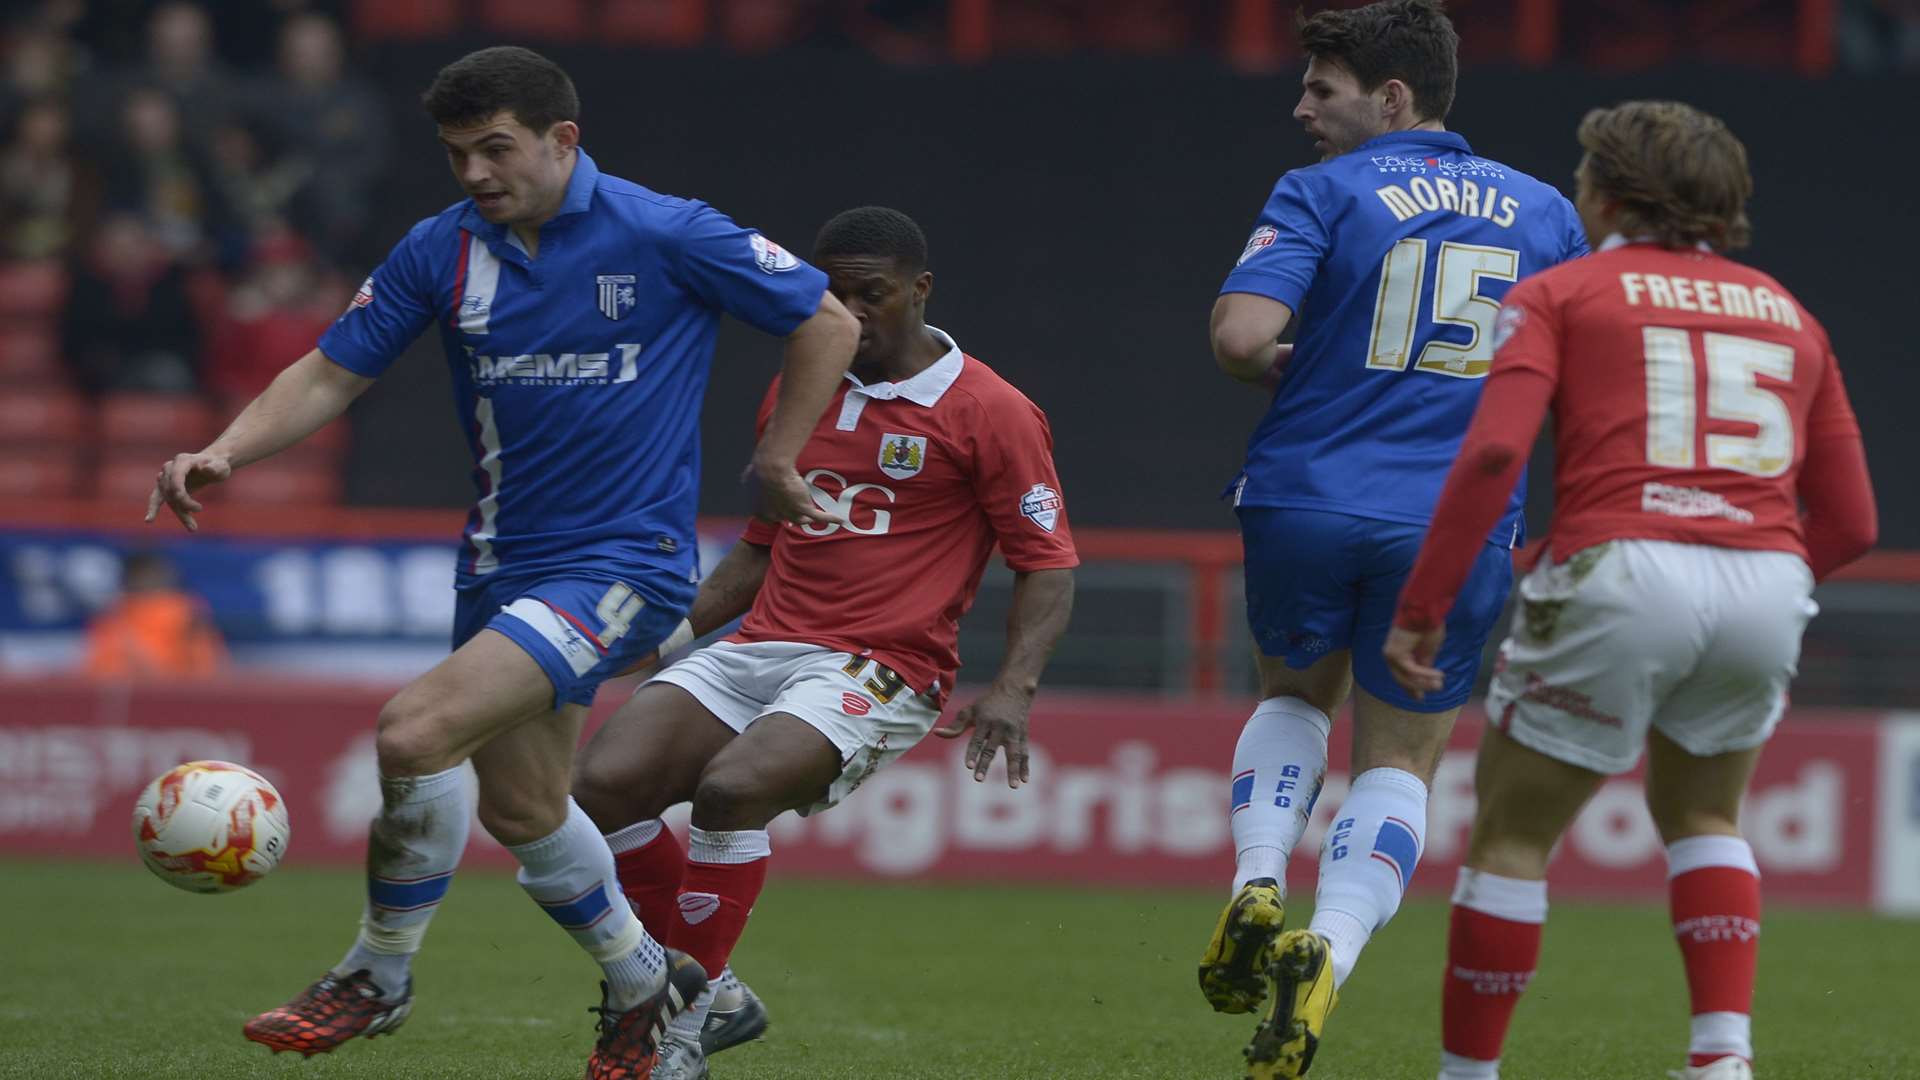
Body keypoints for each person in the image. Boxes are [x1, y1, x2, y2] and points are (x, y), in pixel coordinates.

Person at [143, 46, 859, 1078]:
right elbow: (331, 373)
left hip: (625, 561)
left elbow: (825, 318)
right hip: (500, 565)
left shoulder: (665, 230)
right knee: (524, 808)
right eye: (456, 154)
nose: (476, 173)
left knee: (415, 728)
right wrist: (226, 450)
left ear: (563, 140)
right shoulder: (443, 249)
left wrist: (781, 455)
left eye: (496, 149)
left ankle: (377, 973)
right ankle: (651, 986)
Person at [1384, 101, 1877, 1080]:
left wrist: (1423, 606)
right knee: (1704, 815)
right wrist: (1757, 580)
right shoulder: (1792, 315)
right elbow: (1856, 522)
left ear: (1608, 193)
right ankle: (1722, 1058)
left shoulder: (1564, 293)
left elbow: (1491, 455)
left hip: (1621, 563)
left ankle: (1467, 1077)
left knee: (1515, 833)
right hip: (1768, 578)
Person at [571, 206, 1079, 1079]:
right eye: (829, 294)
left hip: (883, 664)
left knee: (731, 790)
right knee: (600, 788)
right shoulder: (802, 384)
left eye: (868, 294)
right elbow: (762, 547)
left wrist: (1013, 689)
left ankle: (673, 1037)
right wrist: (673, 635)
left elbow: (1048, 563)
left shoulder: (991, 410)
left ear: (920, 291)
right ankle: (716, 993)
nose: (845, 312)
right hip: (762, 644)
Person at [1198, 2, 1589, 1076]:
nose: (1302, 108)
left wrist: (1296, 364)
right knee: (1405, 759)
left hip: (1307, 496)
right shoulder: (1549, 211)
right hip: (1456, 519)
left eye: (1321, 89)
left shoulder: (1320, 191)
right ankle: (1331, 944)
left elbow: (1240, 338)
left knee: (1289, 698)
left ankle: (1258, 878)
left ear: (1393, 98)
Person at [82, 550, 226, 679]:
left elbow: (205, 669)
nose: (149, 580)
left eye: (154, 574)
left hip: (177, 696)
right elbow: (100, 671)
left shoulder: (187, 613)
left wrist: (154, 671)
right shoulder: (114, 616)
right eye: (142, 575)